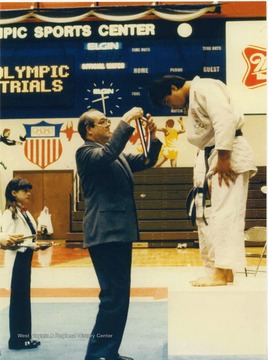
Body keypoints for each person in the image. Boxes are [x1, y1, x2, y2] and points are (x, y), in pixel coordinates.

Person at [149, 75, 257, 286]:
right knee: (213, 213)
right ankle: (225, 271)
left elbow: (224, 118)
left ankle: (220, 271)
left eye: (168, 101)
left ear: (174, 87)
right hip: (214, 152)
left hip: (227, 152)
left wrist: (224, 157)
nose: (171, 107)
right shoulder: (196, 96)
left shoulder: (204, 87)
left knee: (225, 213)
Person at [76, 107, 162, 360]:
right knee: (113, 297)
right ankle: (98, 354)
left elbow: (147, 161)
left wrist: (153, 138)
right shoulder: (86, 152)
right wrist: (126, 121)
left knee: (119, 297)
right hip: (105, 233)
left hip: (118, 232)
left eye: (108, 121)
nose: (108, 124)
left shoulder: (116, 155)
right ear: (88, 130)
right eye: (102, 122)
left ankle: (108, 351)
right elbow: (109, 152)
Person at [1, 177, 41, 350]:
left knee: (23, 299)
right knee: (19, 300)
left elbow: (29, 235)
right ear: (14, 193)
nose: (29, 193)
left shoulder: (24, 212)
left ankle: (24, 337)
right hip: (18, 260)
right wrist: (29, 244)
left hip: (25, 258)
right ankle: (17, 340)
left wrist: (35, 245)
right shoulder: (9, 213)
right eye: (25, 190)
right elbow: (9, 241)